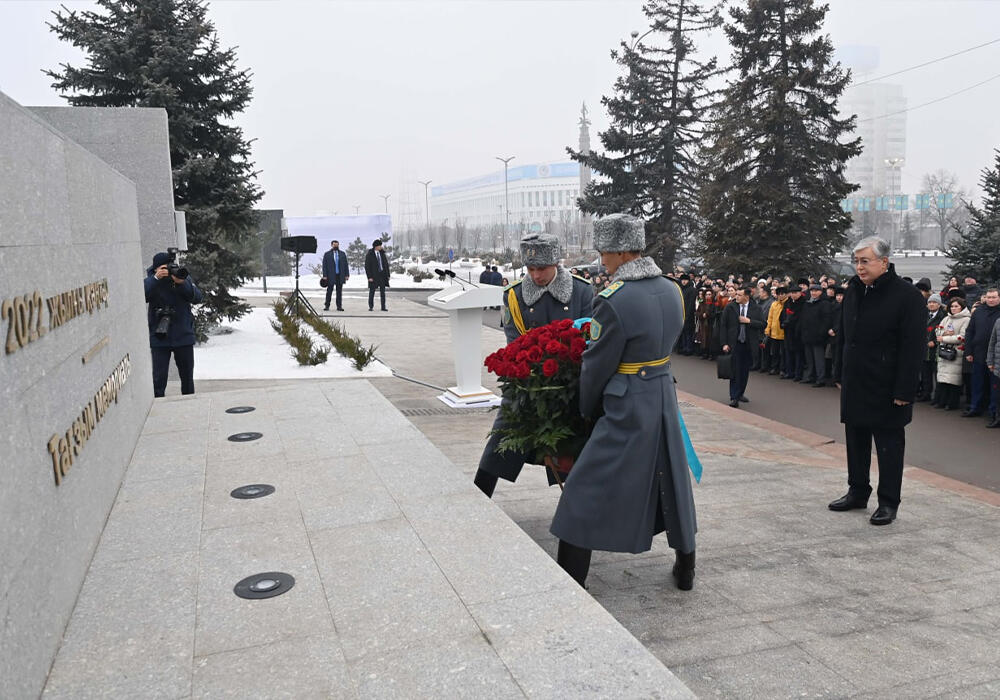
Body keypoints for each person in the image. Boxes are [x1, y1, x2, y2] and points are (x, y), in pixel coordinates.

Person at [550, 213, 697, 590]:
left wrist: (586, 409)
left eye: (604, 250)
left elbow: (596, 366)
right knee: (673, 482)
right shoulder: (671, 289)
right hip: (663, 395)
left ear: (617, 251)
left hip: (626, 403)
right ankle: (686, 567)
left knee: (583, 489)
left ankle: (570, 580)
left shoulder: (613, 300)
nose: (601, 257)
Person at [474, 233, 593, 498]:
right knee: (501, 440)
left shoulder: (582, 291)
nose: (536, 275)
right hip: (528, 383)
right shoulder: (515, 295)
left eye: (542, 268)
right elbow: (515, 344)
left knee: (571, 450)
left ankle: (574, 508)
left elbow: (588, 339)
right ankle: (478, 496)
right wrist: (532, 376)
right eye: (530, 269)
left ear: (556, 263)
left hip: (568, 385)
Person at [830, 236, 925, 526]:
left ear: (884, 262)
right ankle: (857, 491)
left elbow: (914, 347)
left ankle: (888, 502)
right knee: (856, 441)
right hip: (856, 381)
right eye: (856, 261)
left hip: (888, 386)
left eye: (865, 261)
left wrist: (904, 390)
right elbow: (844, 335)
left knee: (888, 446)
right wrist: (839, 372)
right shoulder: (855, 290)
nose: (859, 267)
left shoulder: (906, 296)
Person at [144, 251, 203, 398]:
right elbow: (142, 294)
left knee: (187, 377)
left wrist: (182, 283)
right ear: (156, 268)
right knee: (158, 378)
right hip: (159, 336)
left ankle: (189, 402)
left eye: (170, 267)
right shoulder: (152, 281)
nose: (168, 271)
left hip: (183, 336)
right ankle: (158, 403)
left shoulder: (181, 277)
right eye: (164, 268)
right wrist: (156, 278)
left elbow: (197, 297)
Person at [720, 286, 765, 407]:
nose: (736, 297)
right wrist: (724, 343)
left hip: (749, 344)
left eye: (739, 295)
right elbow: (723, 325)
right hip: (734, 343)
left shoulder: (756, 308)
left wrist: (749, 321)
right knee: (734, 370)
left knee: (744, 371)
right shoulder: (731, 307)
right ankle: (734, 397)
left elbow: (762, 324)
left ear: (747, 296)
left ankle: (740, 393)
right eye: (736, 294)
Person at [961, 288, 1000, 420]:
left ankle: (993, 412)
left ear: (999, 298)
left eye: (994, 297)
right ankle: (975, 407)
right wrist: (968, 351)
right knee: (977, 382)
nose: (991, 299)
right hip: (978, 352)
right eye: (989, 297)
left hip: (995, 356)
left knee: (994, 385)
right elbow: (970, 332)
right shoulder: (978, 312)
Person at [934, 298, 971, 411]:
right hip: (944, 352)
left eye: (956, 306)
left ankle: (952, 403)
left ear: (962, 307)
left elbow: (962, 337)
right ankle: (941, 401)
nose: (953, 308)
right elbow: (937, 331)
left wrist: (945, 338)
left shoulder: (966, 320)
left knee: (953, 380)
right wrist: (944, 333)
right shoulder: (946, 318)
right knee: (943, 378)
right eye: (952, 306)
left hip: (956, 353)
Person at [799, 283, 834, 387]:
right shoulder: (807, 303)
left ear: (820, 292)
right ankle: (810, 376)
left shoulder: (824, 303)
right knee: (809, 359)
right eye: (812, 291)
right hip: (807, 335)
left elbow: (827, 320)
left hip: (818, 336)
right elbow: (803, 318)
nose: (813, 293)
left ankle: (820, 378)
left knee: (819, 359)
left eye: (816, 291)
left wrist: (821, 333)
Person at [918, 293, 947, 402]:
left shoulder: (943, 317)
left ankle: (937, 397)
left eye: (934, 302)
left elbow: (944, 332)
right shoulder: (923, 315)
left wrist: (934, 342)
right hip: (924, 349)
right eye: (930, 302)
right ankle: (926, 394)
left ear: (939, 304)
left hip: (936, 351)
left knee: (937, 375)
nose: (931, 304)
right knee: (925, 374)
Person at [780, 285, 805, 380]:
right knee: (788, 352)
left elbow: (801, 317)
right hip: (788, 331)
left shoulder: (803, 303)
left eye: (795, 293)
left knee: (798, 354)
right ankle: (789, 372)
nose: (793, 295)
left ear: (800, 293)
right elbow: (783, 314)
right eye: (792, 293)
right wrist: (783, 323)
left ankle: (798, 374)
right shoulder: (788, 302)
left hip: (797, 331)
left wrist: (791, 323)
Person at [764, 286, 787, 375]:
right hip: (774, 332)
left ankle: (783, 369)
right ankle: (774, 367)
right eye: (778, 294)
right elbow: (770, 318)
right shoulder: (774, 304)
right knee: (775, 352)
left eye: (782, 294)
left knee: (783, 353)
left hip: (783, 333)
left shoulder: (787, 304)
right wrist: (768, 329)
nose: (780, 296)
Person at [321, 240, 349, 311]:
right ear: (331, 245)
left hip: (340, 275)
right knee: (329, 291)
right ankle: (327, 305)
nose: (336, 246)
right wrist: (325, 275)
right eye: (334, 245)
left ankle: (339, 306)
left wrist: (347, 274)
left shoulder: (342, 254)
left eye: (337, 245)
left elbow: (346, 265)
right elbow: (324, 266)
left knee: (339, 292)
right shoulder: (327, 254)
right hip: (330, 276)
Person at [364, 239, 390, 311]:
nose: (381, 247)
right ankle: (371, 306)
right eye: (379, 246)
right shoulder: (370, 254)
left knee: (383, 292)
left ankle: (383, 307)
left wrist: (388, 275)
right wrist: (369, 277)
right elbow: (367, 266)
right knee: (372, 291)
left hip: (382, 275)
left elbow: (386, 265)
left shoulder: (382, 253)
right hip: (374, 276)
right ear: (376, 246)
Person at [986, 313, 1000, 428]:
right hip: (998, 366)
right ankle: (997, 418)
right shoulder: (998, 321)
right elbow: (992, 343)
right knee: (997, 395)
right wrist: (990, 361)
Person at [678, 273, 697, 355]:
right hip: (680, 313)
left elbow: (691, 303)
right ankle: (683, 347)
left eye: (685, 280)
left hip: (689, 314)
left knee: (688, 332)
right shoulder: (680, 289)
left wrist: (688, 315)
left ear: (688, 281)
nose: (684, 282)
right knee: (683, 332)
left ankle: (689, 348)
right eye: (682, 280)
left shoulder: (692, 290)